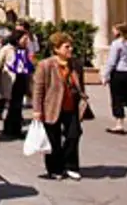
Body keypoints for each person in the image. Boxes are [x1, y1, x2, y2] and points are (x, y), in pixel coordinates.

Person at [33, 32, 89, 181]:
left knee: (74, 135)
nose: (70, 49)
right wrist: (37, 110)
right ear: (56, 49)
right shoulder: (46, 65)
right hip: (51, 107)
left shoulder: (75, 64)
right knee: (53, 140)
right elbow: (38, 89)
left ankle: (71, 166)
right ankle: (55, 168)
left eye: (71, 46)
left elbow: (80, 85)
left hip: (71, 107)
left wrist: (83, 100)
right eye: (66, 47)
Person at [0, 29, 33, 139]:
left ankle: (16, 129)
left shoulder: (24, 50)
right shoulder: (7, 49)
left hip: (21, 79)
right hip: (10, 80)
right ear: (18, 38)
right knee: (13, 105)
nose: (27, 41)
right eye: (25, 38)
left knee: (17, 106)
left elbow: (26, 65)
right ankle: (9, 129)